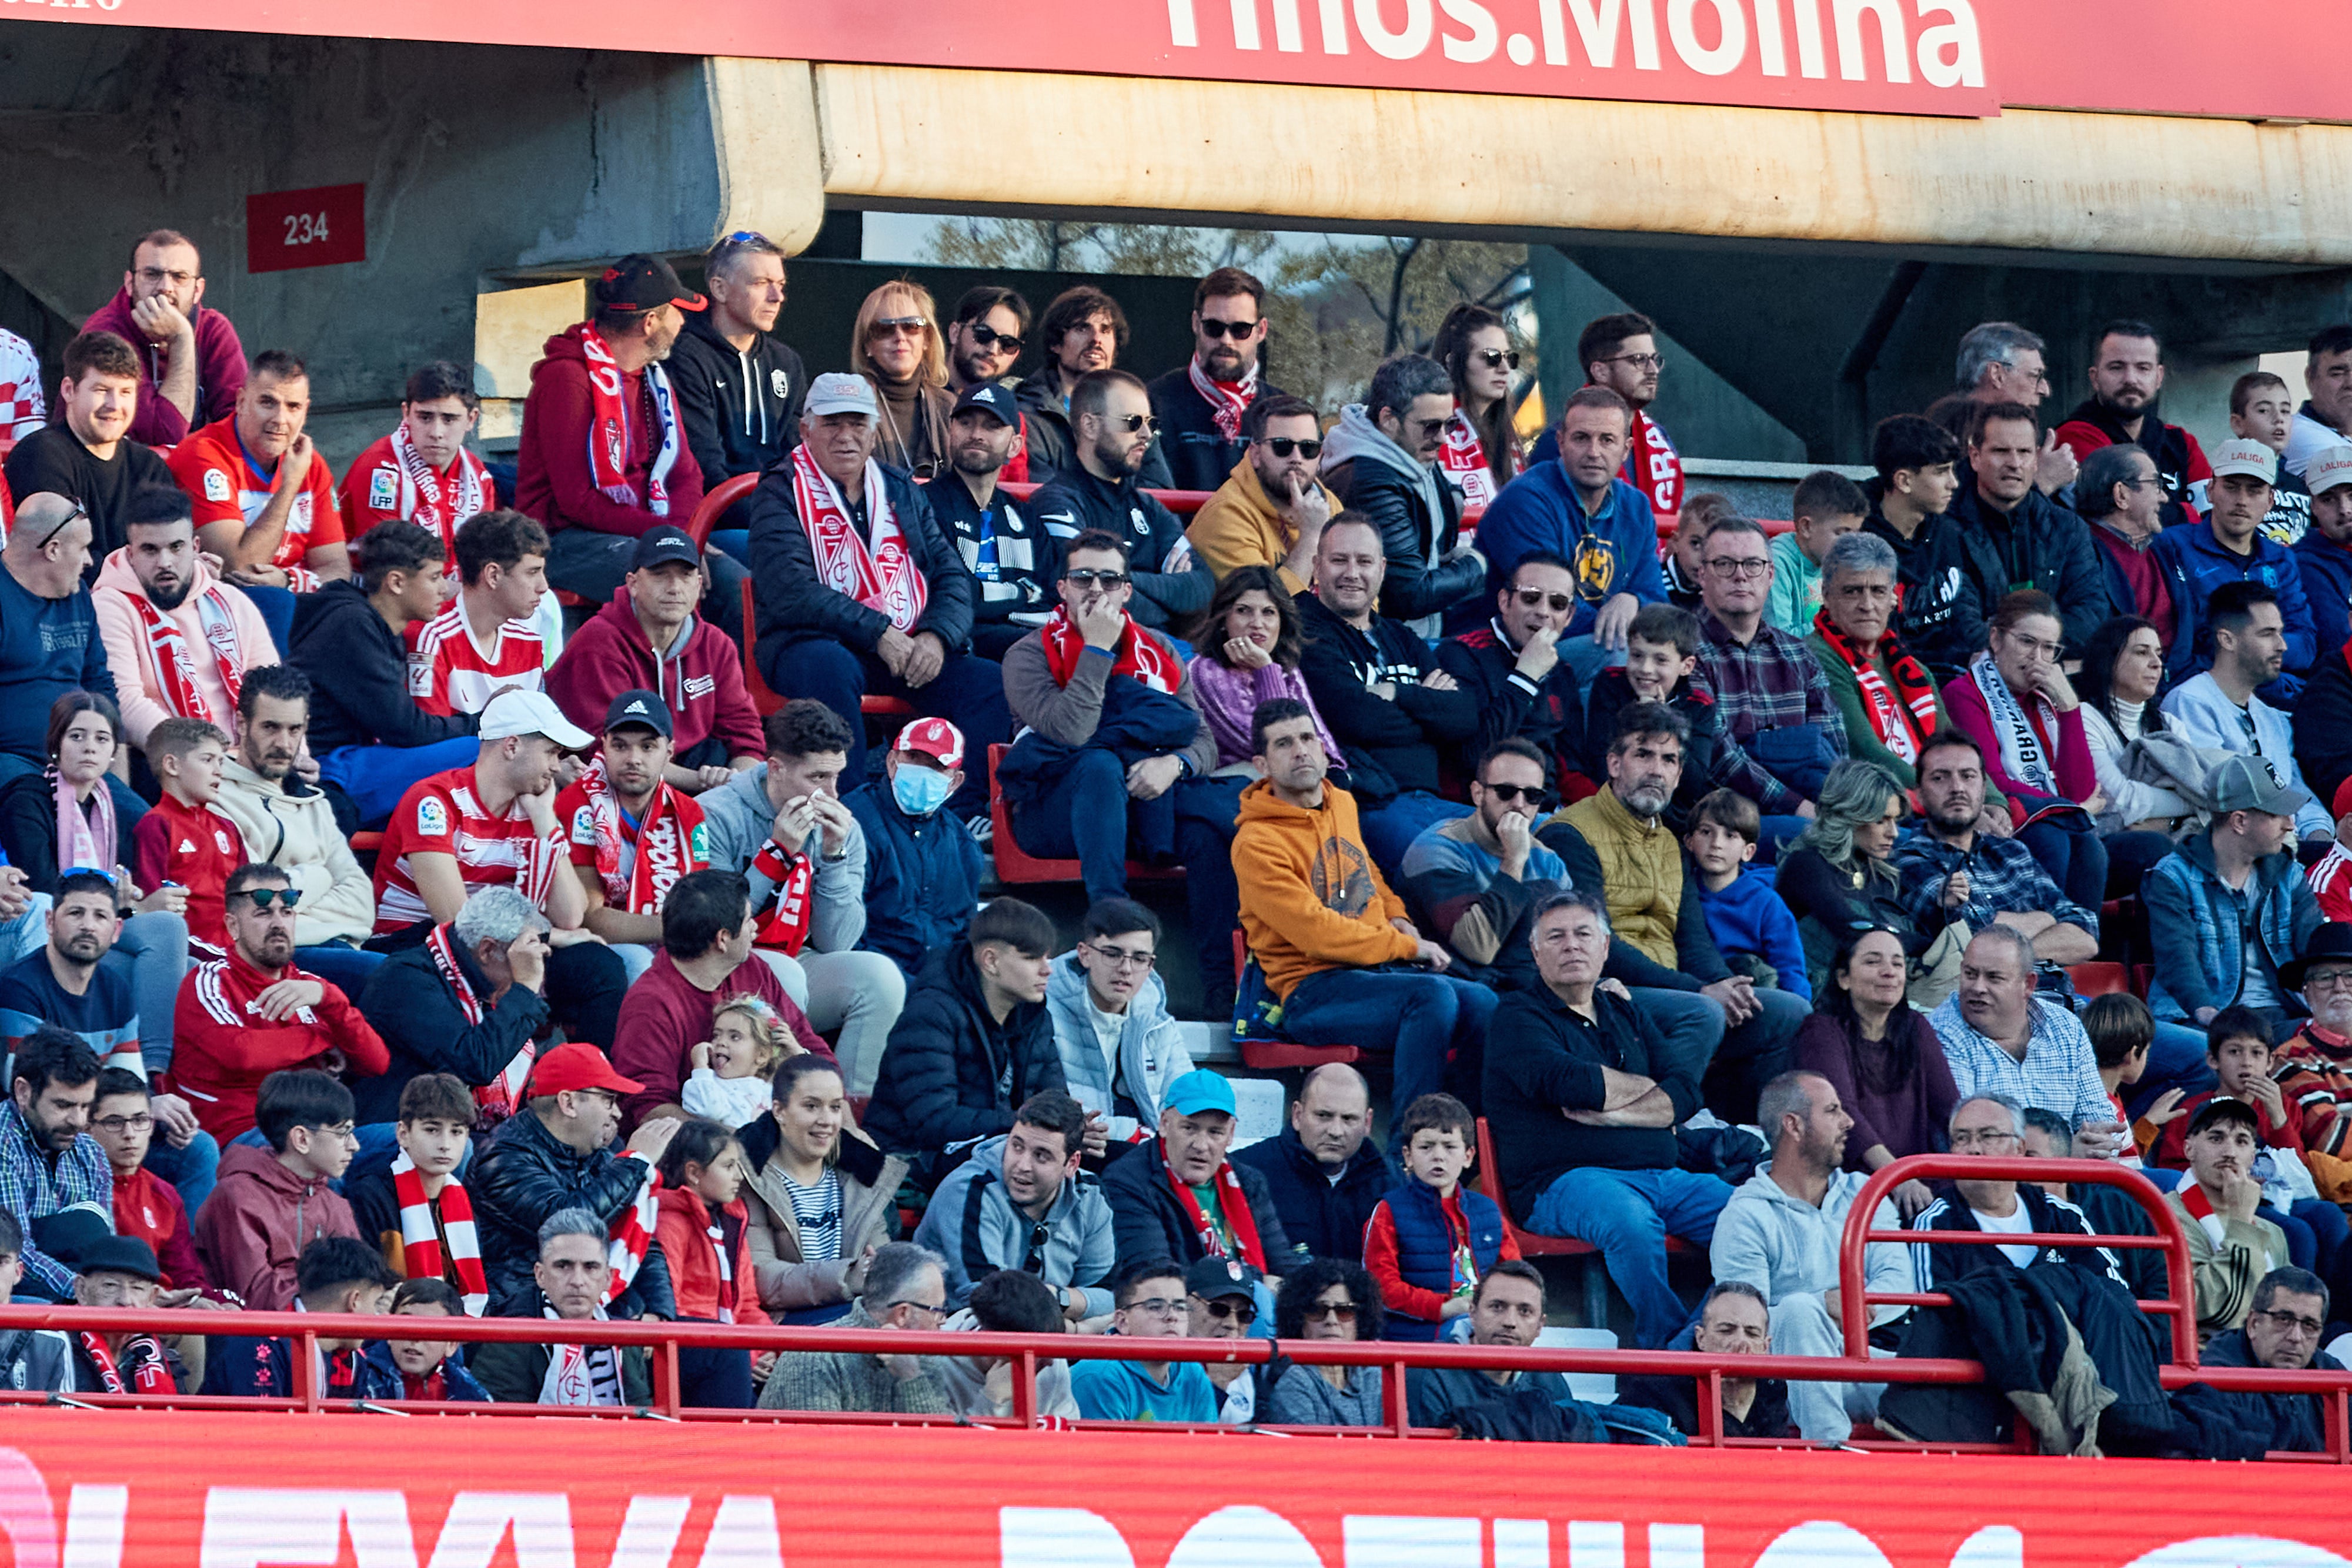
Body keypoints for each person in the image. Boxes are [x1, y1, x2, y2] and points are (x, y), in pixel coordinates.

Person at [746, 372, 1006, 811]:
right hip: (810, 641)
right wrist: (879, 633)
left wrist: (937, 637)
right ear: (806, 429)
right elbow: (791, 591)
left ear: (874, 432)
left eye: (857, 423)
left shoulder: (899, 486)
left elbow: (952, 575)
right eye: (832, 423)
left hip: (905, 644)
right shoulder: (779, 489)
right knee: (828, 667)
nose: (846, 436)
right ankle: (847, 814)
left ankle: (962, 817)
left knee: (990, 684)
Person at [1484, 892, 1727, 1348]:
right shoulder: (1516, 1016)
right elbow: (1575, 1085)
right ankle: (1669, 1348)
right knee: (1630, 1221)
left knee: (1751, 1218)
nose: (1571, 945)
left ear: (1605, 947)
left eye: (1583, 934)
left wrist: (1617, 1116)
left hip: (1663, 1175)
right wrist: (1652, 1092)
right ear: (1536, 953)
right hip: (1561, 1182)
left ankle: (1699, 1337)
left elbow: (1687, 1091)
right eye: (1556, 937)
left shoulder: (1624, 1010)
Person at [1541, 704, 1805, 1122]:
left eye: (1670, 760)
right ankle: (1653, 1123)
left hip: (1677, 993)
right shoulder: (1570, 833)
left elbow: (1692, 938)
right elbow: (1595, 944)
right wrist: (1700, 991)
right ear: (1614, 763)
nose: (1657, 770)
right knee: (1702, 1012)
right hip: (1608, 992)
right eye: (1643, 754)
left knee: (1787, 1011)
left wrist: (1724, 984)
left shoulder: (1670, 842)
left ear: (1680, 775)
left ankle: (1744, 1137)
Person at [1232, 700, 1494, 1114]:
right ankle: (1413, 1141)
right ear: (1262, 765)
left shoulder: (1342, 803)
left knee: (1484, 1002)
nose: (1300, 750)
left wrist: (1398, 917)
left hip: (1376, 973)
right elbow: (1317, 934)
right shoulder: (1255, 842)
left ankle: (1467, 1136)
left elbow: (1367, 871)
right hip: (1311, 992)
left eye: (1307, 738)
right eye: (1284, 744)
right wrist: (1407, 947)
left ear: (1324, 748)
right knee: (1431, 998)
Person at [368, 690, 626, 1051]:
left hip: (501, 946)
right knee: (484, 957)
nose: (558, 766)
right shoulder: (434, 800)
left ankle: (588, 1090)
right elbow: (457, 922)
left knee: (600, 968)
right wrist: (548, 939)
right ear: (512, 746)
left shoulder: (529, 808)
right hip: (419, 945)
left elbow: (570, 915)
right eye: (552, 751)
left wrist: (544, 819)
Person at [515, 255, 746, 626]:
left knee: (740, 585)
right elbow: (578, 502)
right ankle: (662, 684)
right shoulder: (566, 379)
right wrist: (668, 540)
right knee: (671, 587)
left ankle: (722, 685)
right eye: (677, 311)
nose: (684, 321)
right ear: (650, 323)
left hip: (645, 532)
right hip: (563, 541)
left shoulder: (655, 380)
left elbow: (686, 475)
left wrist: (683, 537)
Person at [998, 531, 1216, 902]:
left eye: (1110, 580)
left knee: (1211, 828)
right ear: (1063, 589)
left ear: (1127, 592)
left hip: (1146, 802)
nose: (1097, 589)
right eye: (1084, 578)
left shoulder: (1159, 649)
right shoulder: (1027, 655)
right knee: (1099, 763)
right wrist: (1097, 649)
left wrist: (1175, 765)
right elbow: (1073, 732)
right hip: (1055, 807)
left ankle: (1227, 955)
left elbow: (1205, 741)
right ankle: (1110, 912)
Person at [700, 701, 903, 1087]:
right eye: (818, 777)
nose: (833, 792)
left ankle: (844, 1112)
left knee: (880, 977)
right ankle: (775, 1109)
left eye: (837, 776)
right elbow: (714, 927)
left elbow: (838, 940)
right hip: (725, 961)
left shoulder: (844, 827)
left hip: (798, 953)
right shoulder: (716, 813)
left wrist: (834, 855)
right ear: (776, 767)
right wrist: (775, 854)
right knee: (787, 975)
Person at [1709, 1071, 1912, 1441]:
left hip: (1876, 1357)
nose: (1848, 1122)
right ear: (1794, 1125)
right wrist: (1821, 1305)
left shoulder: (1864, 1192)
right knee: (1799, 1311)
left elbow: (1899, 1280)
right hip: (1788, 1380)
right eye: (1833, 1111)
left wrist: (1848, 1306)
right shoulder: (1745, 1215)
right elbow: (1744, 1320)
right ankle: (1829, 1451)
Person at [1180, 567, 1344, 1008]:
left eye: (1269, 613)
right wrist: (1267, 671)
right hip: (1224, 807)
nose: (1258, 623)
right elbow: (1269, 742)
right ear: (1224, 620)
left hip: (1276, 804)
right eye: (1244, 611)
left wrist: (1271, 671)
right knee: (1216, 845)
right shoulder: (1205, 672)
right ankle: (1229, 984)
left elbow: (1322, 746)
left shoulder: (1285, 671)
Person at [0, 693, 186, 1071]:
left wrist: (131, 904)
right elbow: (46, 890)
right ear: (55, 745)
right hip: (43, 923)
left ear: (113, 752)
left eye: (102, 739)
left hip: (93, 920)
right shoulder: (27, 798)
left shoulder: (108, 808)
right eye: (77, 737)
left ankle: (152, 1073)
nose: (90, 748)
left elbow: (118, 890)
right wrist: (127, 906)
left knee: (169, 929)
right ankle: (51, 1064)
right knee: (47, 908)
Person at [1295, 516, 1478, 871]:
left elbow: (1463, 716)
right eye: (1339, 560)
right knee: (1445, 866)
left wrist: (1396, 692)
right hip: (1369, 806)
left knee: (1535, 843)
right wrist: (1427, 712)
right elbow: (1356, 719)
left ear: (1381, 570)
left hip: (1434, 802)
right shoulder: (1306, 634)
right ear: (1316, 568)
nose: (1352, 572)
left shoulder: (1401, 637)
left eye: (1364, 562)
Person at [171, 864, 389, 1145]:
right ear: (233, 925)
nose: (278, 924)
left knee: (416, 1150)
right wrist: (321, 1038)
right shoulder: (210, 980)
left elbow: (377, 1062)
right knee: (314, 1156)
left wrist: (330, 999)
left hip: (320, 1133)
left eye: (286, 913)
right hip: (244, 1134)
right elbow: (242, 1053)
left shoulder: (313, 989)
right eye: (263, 913)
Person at [213, 666, 386, 1003]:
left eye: (294, 730)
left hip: (335, 948)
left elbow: (362, 904)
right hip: (275, 959)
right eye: (270, 727)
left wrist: (291, 898)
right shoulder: (217, 796)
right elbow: (254, 909)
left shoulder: (314, 802)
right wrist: (322, 878)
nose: (283, 743)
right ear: (241, 724)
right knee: (393, 978)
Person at [468, 1042, 677, 1321]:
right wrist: (634, 1164)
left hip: (602, 1309)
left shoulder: (600, 1155)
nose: (617, 1114)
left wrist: (660, 1313)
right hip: (525, 1316)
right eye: (608, 1099)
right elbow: (567, 1222)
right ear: (568, 1103)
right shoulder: (502, 1158)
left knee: (718, 1354)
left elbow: (640, 1239)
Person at [1465, 386, 1662, 679]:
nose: (1594, 452)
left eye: (1607, 440)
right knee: (1621, 655)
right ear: (1560, 442)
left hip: (1578, 646)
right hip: (1499, 654)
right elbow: (1550, 609)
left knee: (1669, 655)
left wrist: (1634, 600)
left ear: (1626, 450)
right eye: (1581, 438)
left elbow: (1658, 600)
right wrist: (1629, 631)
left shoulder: (1636, 507)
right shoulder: (1527, 500)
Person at [284, 521, 472, 825]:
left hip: (353, 759)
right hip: (328, 768)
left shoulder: (375, 623)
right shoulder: (352, 625)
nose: (445, 589)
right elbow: (406, 729)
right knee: (481, 749)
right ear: (396, 582)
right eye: (435, 577)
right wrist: (480, 723)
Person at [549, 524, 764, 789]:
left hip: (694, 776)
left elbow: (746, 735)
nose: (674, 588)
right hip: (615, 783)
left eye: (685, 576)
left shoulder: (717, 645)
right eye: (660, 575)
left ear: (698, 585)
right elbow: (609, 753)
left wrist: (736, 784)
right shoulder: (599, 642)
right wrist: (705, 784)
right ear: (633, 584)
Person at [607, 870, 824, 1129]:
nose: (755, 927)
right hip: (701, 1153)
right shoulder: (650, 1004)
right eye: (748, 921)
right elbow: (649, 1108)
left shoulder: (751, 968)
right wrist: (736, 1144)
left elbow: (812, 1045)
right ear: (722, 940)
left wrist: (846, 1124)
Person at [863, 897, 1071, 1162]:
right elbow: (934, 1121)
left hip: (1004, 1146)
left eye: (1048, 958)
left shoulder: (1035, 1016)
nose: (1047, 970)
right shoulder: (930, 1014)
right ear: (991, 961)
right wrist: (1028, 1126)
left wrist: (1073, 1128)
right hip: (914, 1159)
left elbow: (1055, 1098)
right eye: (1032, 959)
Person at [1942, 590, 2109, 912]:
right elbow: (1993, 780)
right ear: (1996, 639)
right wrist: (2071, 809)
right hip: (2001, 822)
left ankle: (2079, 949)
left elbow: (2082, 789)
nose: (2037, 658)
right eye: (2027, 642)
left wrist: (2069, 707)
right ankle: (2043, 949)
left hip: (2054, 821)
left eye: (2049, 649)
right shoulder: (1964, 693)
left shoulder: (2047, 699)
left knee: (2143, 850)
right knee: (2058, 838)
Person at [1891, 730, 2102, 982]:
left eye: (1968, 776)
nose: (1957, 788)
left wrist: (2009, 956)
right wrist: (2047, 920)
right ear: (1921, 795)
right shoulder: (1909, 859)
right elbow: (1971, 934)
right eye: (1940, 778)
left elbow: (2086, 932)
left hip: (2055, 1002)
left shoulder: (2012, 852)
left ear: (1982, 789)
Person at [1692, 514, 1850, 838]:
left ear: (1771, 575)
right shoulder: (1685, 652)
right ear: (1702, 574)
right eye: (1724, 564)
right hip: (1726, 822)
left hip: (1812, 808)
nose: (1740, 576)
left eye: (1753, 565)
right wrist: (1798, 807)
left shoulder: (1799, 654)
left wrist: (1839, 808)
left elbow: (1834, 746)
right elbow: (1720, 760)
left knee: (1903, 842)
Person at [2143, 757, 2324, 1035]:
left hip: (2282, 1015)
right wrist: (2211, 1017)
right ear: (2239, 821)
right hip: (2202, 1021)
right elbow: (2177, 960)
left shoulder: (2290, 874)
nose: (2291, 825)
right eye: (2278, 815)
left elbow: (2316, 948)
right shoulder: (2171, 877)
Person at [92, 486, 278, 755]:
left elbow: (272, 691)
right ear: (130, 555)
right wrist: (201, 759)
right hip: (173, 762)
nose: (165, 562)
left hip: (250, 759)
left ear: (195, 547)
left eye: (176, 547)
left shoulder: (231, 600)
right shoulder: (111, 604)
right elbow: (126, 703)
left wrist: (297, 756)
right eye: (150, 550)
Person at [1030, 369, 1212, 634]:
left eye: (1150, 423)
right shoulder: (1056, 502)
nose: (1146, 435)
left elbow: (1201, 588)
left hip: (1161, 649)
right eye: (1132, 422)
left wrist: (1121, 581)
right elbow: (1090, 600)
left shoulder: (1148, 508)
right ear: (1090, 426)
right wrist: (1166, 594)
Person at [1315, 354, 1486, 634]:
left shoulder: (1412, 451)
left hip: (1422, 631)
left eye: (1450, 425)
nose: (1443, 438)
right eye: (1431, 426)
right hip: (1393, 642)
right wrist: (1477, 564)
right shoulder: (1371, 481)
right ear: (1389, 420)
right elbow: (1409, 594)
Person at [917, 1089, 1115, 1319]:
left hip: (1051, 1338)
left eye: (1041, 1156)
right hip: (958, 1337)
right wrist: (1074, 1324)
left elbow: (1112, 1298)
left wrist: (1056, 1297)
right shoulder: (968, 1190)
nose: (1022, 1165)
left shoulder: (1091, 1195)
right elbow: (991, 1303)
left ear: (1072, 1164)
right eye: (1017, 1146)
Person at [166, 349, 347, 601]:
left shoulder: (311, 463)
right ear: (241, 402)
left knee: (351, 610)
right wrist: (290, 485)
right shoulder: (204, 454)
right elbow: (238, 569)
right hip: (229, 604)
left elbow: (337, 569)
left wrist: (289, 581)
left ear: (305, 412)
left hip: (295, 597)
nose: (280, 419)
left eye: (293, 407)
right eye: (268, 403)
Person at [739, 1054, 907, 1325]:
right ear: (779, 1111)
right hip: (786, 1322)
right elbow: (764, 1279)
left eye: (835, 1107)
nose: (827, 1120)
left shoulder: (860, 1178)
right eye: (812, 1106)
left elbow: (881, 1260)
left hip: (856, 1313)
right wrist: (849, 1276)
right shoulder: (751, 1179)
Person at [553, 690, 708, 983]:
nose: (633, 759)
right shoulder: (579, 804)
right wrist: (679, 929)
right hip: (592, 946)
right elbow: (590, 918)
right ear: (604, 747)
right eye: (621, 746)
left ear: (670, 752)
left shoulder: (689, 813)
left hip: (669, 940)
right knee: (642, 964)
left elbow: (695, 904)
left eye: (648, 747)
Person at [2163, 582, 2334, 843]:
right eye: (2267, 634)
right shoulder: (2190, 703)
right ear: (2227, 640)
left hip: (2286, 851)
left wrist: (2320, 839)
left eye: (2280, 633)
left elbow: (2298, 795)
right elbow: (2222, 798)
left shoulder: (2272, 718)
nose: (2282, 646)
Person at [667, 231, 806, 546]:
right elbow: (703, 469)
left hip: (780, 523)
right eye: (760, 284)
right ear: (719, 288)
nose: (777, 297)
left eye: (780, 285)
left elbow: (799, 459)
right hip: (715, 526)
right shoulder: (686, 357)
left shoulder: (787, 362)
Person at [1396, 737, 1571, 988]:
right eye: (1506, 792)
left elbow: (1571, 938)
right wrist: (1514, 860)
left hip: (1531, 986)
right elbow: (1478, 947)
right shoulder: (1436, 848)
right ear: (1478, 794)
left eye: (1533, 796)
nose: (1519, 805)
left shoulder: (1548, 861)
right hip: (1459, 986)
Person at [1906, 1095, 2123, 1293]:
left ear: (2019, 1149)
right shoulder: (1934, 1224)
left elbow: (2114, 1294)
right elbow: (1934, 1322)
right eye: (1961, 1138)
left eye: (1988, 1136)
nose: (1974, 1149)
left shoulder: (2060, 1214)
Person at [1794, 926, 1959, 1188]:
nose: (1889, 972)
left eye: (1898, 963)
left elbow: (1950, 1108)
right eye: (1873, 962)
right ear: (1843, 978)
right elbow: (1842, 1111)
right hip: (1853, 1185)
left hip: (1919, 1183)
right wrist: (1895, 1176)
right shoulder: (1821, 1031)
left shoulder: (1916, 1026)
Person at [1946, 403, 2112, 656]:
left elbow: (2091, 615)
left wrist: (2032, 650)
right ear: (1975, 457)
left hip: (2052, 672)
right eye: (2001, 451)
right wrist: (2036, 647)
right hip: (1977, 681)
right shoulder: (1946, 531)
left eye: (2024, 452)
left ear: (2036, 460)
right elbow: (1962, 627)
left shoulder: (2068, 528)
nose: (2014, 463)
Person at [4, 332, 175, 573]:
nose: (114, 405)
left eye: (126, 392)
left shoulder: (149, 467)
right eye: (101, 390)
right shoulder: (39, 456)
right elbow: (63, 563)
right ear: (69, 390)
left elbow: (171, 549)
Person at [1925, 927, 2120, 1140]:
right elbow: (1971, 1140)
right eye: (1970, 975)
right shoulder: (1938, 1033)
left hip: (2077, 1169)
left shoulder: (2066, 1027)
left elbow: (2100, 1122)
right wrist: (2067, 1154)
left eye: (1994, 978)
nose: (1978, 987)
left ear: (2028, 984)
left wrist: (2094, 1143)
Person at [192, 1069, 364, 1310]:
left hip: (323, 1336)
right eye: (342, 1133)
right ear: (302, 1140)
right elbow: (256, 1296)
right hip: (254, 1342)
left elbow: (359, 1281)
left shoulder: (336, 1205)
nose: (354, 1146)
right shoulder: (237, 1198)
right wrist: (340, 1291)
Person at [2153, 439, 2313, 697]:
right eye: (2231, 487)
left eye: (2254, 491)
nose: (2241, 501)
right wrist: (2261, 652)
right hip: (2198, 694)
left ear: (2271, 500)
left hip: (2275, 697)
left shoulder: (2282, 559)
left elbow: (2305, 646)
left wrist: (2242, 651)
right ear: (2210, 490)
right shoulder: (2172, 546)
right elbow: (2180, 642)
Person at [842, 716, 984, 996]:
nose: (922, 771)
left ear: (955, 782)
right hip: (875, 978)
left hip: (942, 983)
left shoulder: (962, 843)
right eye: (914, 758)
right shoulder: (854, 822)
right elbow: (847, 934)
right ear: (892, 762)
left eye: (936, 766)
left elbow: (964, 930)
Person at [1101, 1069, 1290, 1275]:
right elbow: (1155, 1274)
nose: (1201, 1145)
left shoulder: (1249, 1181)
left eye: (1215, 1132)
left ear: (1231, 1135)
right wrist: (1257, 1282)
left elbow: (1283, 1264)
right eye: (1189, 1128)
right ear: (1164, 1124)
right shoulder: (1127, 1181)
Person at [1362, 1092, 1514, 1342]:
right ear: (1408, 1156)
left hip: (1483, 1325)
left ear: (1468, 1156)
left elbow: (1514, 1275)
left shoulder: (1488, 1211)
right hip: (1412, 1332)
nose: (1438, 1156)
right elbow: (1380, 1286)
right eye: (1426, 1147)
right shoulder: (1389, 1211)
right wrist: (1442, 1307)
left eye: (1450, 1146)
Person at [1046, 898, 1194, 1147]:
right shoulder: (1046, 1012)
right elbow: (1055, 1111)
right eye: (1112, 954)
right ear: (1085, 955)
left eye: (1139, 958)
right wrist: (1137, 1134)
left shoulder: (1156, 1022)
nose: (1126, 968)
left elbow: (1187, 1102)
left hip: (1143, 1152)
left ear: (1150, 966)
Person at [1436, 549, 1589, 788]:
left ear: (1569, 616)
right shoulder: (1460, 653)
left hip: (1547, 811)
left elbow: (1571, 766)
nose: (1543, 611)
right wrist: (1526, 677)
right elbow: (1471, 756)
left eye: (1557, 603)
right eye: (1531, 597)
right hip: (1480, 807)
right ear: (1504, 601)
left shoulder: (1563, 672)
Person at [1806, 530, 1946, 791]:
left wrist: (1994, 801)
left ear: (1893, 598)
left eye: (1878, 591)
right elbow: (1865, 749)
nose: (1867, 605)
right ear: (1826, 595)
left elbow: (1951, 746)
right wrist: (1943, 794)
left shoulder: (1915, 670)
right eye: (1852, 591)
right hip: (1879, 803)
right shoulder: (1817, 655)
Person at [470, 1209, 654, 1405]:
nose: (577, 1281)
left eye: (590, 1267)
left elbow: (642, 1416)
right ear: (540, 1275)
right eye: (563, 1266)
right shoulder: (508, 1340)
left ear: (608, 1278)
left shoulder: (627, 1342)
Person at [0, 494, 122, 788]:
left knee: (140, 825)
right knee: (32, 818)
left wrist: (115, 774)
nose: (90, 560)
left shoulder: (78, 594)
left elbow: (100, 684)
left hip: (85, 763)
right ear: (53, 550)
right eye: (82, 548)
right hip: (13, 761)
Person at [336, 362, 500, 580]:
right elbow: (386, 565)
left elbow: (484, 553)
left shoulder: (477, 474)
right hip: (380, 591)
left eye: (449, 419)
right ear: (406, 414)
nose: (436, 432)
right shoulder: (381, 471)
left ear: (471, 419)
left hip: (448, 588)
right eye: (425, 417)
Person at [81, 230, 245, 447]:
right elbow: (165, 435)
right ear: (130, 284)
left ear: (198, 291)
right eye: (152, 274)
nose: (165, 287)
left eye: (179, 277)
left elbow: (241, 425)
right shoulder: (104, 333)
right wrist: (182, 338)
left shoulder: (215, 330)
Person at [928, 383, 1057, 658]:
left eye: (992, 426)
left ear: (1015, 445)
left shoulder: (1026, 518)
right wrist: (1022, 593)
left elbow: (1053, 595)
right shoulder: (923, 504)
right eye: (965, 423)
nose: (976, 435)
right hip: (957, 645)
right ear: (950, 431)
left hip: (1023, 642)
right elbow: (956, 595)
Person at [652, 1117, 771, 1406]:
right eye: (729, 1167)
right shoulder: (668, 1222)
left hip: (732, 1351)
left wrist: (766, 1351)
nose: (739, 1177)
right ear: (693, 1172)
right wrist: (746, 1355)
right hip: (693, 1353)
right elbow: (670, 1306)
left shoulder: (732, 1223)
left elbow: (748, 1305)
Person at [343, 1073, 486, 1310]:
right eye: (432, 1130)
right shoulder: (369, 1196)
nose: (445, 1144)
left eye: (457, 1132)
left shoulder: (465, 1201)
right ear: (403, 1134)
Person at [758, 1239, 953, 1413]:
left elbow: (942, 1445)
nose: (943, 1320)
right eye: (937, 1310)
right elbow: (822, 1448)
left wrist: (911, 1378)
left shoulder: (926, 1360)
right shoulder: (813, 1360)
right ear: (903, 1314)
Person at [2054, 321, 2215, 529]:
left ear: (2159, 377)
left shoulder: (2182, 442)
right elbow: (2121, 516)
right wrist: (2187, 512)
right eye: (2117, 368)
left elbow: (2213, 520)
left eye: (2143, 368)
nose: (2130, 379)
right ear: (2095, 378)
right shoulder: (2074, 436)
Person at [1230, 1064, 1390, 1270]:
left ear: (1368, 1123)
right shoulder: (1247, 1172)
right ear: (1297, 1115)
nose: (1336, 1131)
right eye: (1323, 1116)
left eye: (1349, 1119)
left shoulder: (1388, 1181)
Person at [1578, 600, 1722, 828]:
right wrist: (1640, 718)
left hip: (1671, 816)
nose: (1645, 669)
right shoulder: (1610, 684)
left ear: (1687, 666)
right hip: (1612, 806)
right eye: (1637, 656)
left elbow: (1693, 782)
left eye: (1660, 660)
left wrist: (1661, 720)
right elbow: (1599, 760)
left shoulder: (1699, 707)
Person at [199, 1235, 397, 1399]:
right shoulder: (255, 1346)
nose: (376, 1316)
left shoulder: (355, 1362)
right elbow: (257, 1435)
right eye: (376, 1303)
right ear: (354, 1301)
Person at [1184, 394, 1339, 595]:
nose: (1297, 458)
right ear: (1256, 455)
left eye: (1309, 448)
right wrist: (1310, 536)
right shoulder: (1226, 516)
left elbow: (1364, 598)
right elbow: (1267, 612)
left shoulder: (1328, 505)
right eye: (1282, 446)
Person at [1859, 414, 1976, 680]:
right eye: (1941, 472)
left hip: (1956, 671)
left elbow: (1964, 614)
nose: (1954, 483)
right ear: (1904, 481)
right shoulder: (1859, 541)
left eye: (1952, 470)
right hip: (1894, 679)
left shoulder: (1948, 532)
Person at [2166, 1097, 2292, 1342]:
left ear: (2253, 1157)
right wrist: (2242, 1220)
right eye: (2216, 1138)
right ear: (2188, 1149)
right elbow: (2206, 1306)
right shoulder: (2165, 1215)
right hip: (2207, 1357)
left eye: (2242, 1141)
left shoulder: (2272, 1232)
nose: (2229, 1152)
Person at [403, 510, 549, 719]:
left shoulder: (530, 642)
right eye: (532, 573)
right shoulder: (431, 637)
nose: (543, 586)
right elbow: (429, 742)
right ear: (493, 575)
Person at [1144, 267, 1279, 493]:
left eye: (1241, 329)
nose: (1226, 340)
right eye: (1214, 327)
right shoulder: (1152, 402)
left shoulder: (1283, 411)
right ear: (1196, 324)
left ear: (1261, 330)